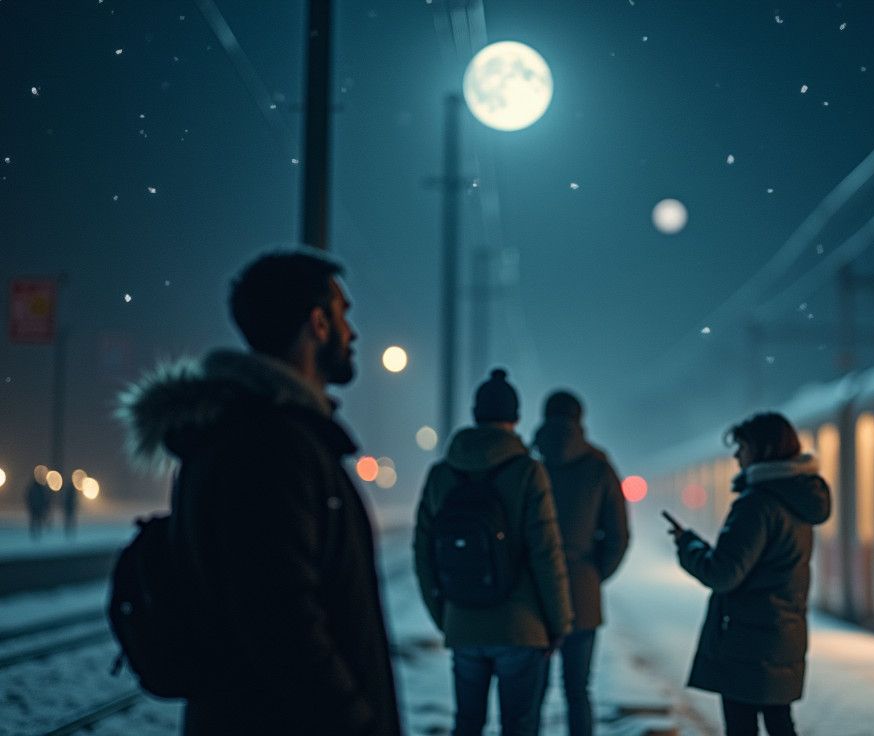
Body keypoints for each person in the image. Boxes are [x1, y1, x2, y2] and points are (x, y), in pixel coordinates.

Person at [117, 249, 401, 736]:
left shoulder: (244, 435)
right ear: (317, 324)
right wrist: (356, 722)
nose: (352, 333)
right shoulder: (272, 447)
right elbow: (283, 623)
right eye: (343, 315)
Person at [413, 368, 573, 736]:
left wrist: (445, 616)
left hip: (463, 621)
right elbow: (546, 552)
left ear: (475, 414)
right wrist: (559, 622)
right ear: (515, 418)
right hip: (522, 627)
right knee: (518, 726)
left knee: (467, 724)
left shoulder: (441, 474)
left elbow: (423, 552)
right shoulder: (529, 473)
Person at [669, 411, 830, 736]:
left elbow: (723, 573)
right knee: (779, 722)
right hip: (783, 632)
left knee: (743, 727)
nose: (736, 456)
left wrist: (688, 545)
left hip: (748, 639)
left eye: (741, 447)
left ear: (761, 450)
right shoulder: (797, 500)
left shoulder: (756, 505)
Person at [531, 390, 631, 736]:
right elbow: (619, 535)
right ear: (580, 419)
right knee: (578, 691)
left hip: (535, 593)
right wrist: (592, 573)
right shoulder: (599, 467)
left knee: (532, 694)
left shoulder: (530, 463)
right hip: (582, 595)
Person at [26, 475, 50, 540]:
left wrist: (30, 505)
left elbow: (28, 497)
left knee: (34, 521)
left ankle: (34, 533)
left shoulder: (31, 488)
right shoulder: (40, 489)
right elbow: (44, 498)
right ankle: (37, 533)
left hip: (34, 508)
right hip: (38, 508)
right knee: (37, 521)